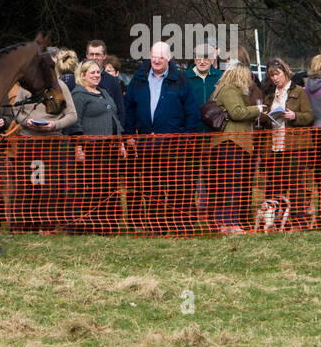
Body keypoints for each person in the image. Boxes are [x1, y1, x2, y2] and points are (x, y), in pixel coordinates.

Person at [124, 40, 203, 235]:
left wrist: (186, 137)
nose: (156, 60)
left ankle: (180, 227)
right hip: (146, 145)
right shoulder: (139, 78)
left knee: (179, 187)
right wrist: (128, 135)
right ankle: (155, 226)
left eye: (161, 57)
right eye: (153, 56)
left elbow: (192, 112)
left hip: (175, 146)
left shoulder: (181, 80)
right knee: (152, 189)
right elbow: (129, 108)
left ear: (168, 58)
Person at [5, 65, 78, 233]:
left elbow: (72, 115)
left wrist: (55, 125)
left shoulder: (61, 86)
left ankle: (47, 226)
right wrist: (26, 121)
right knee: (25, 185)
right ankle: (21, 226)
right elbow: (17, 111)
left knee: (50, 186)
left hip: (53, 143)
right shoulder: (24, 87)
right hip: (28, 141)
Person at [66, 59, 124, 233]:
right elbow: (74, 123)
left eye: (98, 72)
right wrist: (78, 147)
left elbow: (114, 117)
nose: (96, 75)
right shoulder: (79, 95)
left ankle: (109, 223)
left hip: (110, 147)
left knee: (111, 186)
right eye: (92, 72)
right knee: (94, 186)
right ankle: (90, 224)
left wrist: (120, 142)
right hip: (92, 148)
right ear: (82, 75)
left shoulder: (104, 92)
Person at [206, 61, 264, 234]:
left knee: (227, 184)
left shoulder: (223, 89)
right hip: (232, 143)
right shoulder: (230, 90)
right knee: (232, 184)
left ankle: (225, 221)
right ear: (240, 76)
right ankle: (229, 223)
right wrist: (257, 109)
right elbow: (237, 113)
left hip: (229, 143)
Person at [259, 59, 314, 229]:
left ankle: (298, 221)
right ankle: (274, 220)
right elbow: (267, 118)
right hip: (274, 146)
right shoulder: (270, 94)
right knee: (275, 184)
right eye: (272, 75)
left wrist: (295, 116)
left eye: (277, 74)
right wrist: (264, 116)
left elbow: (309, 116)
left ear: (285, 72)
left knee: (296, 184)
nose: (275, 78)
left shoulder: (299, 92)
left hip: (295, 146)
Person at [186, 44, 223, 108]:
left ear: (212, 60)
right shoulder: (184, 77)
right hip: (192, 117)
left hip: (214, 117)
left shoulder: (221, 76)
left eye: (206, 58)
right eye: (199, 57)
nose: (202, 61)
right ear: (194, 60)